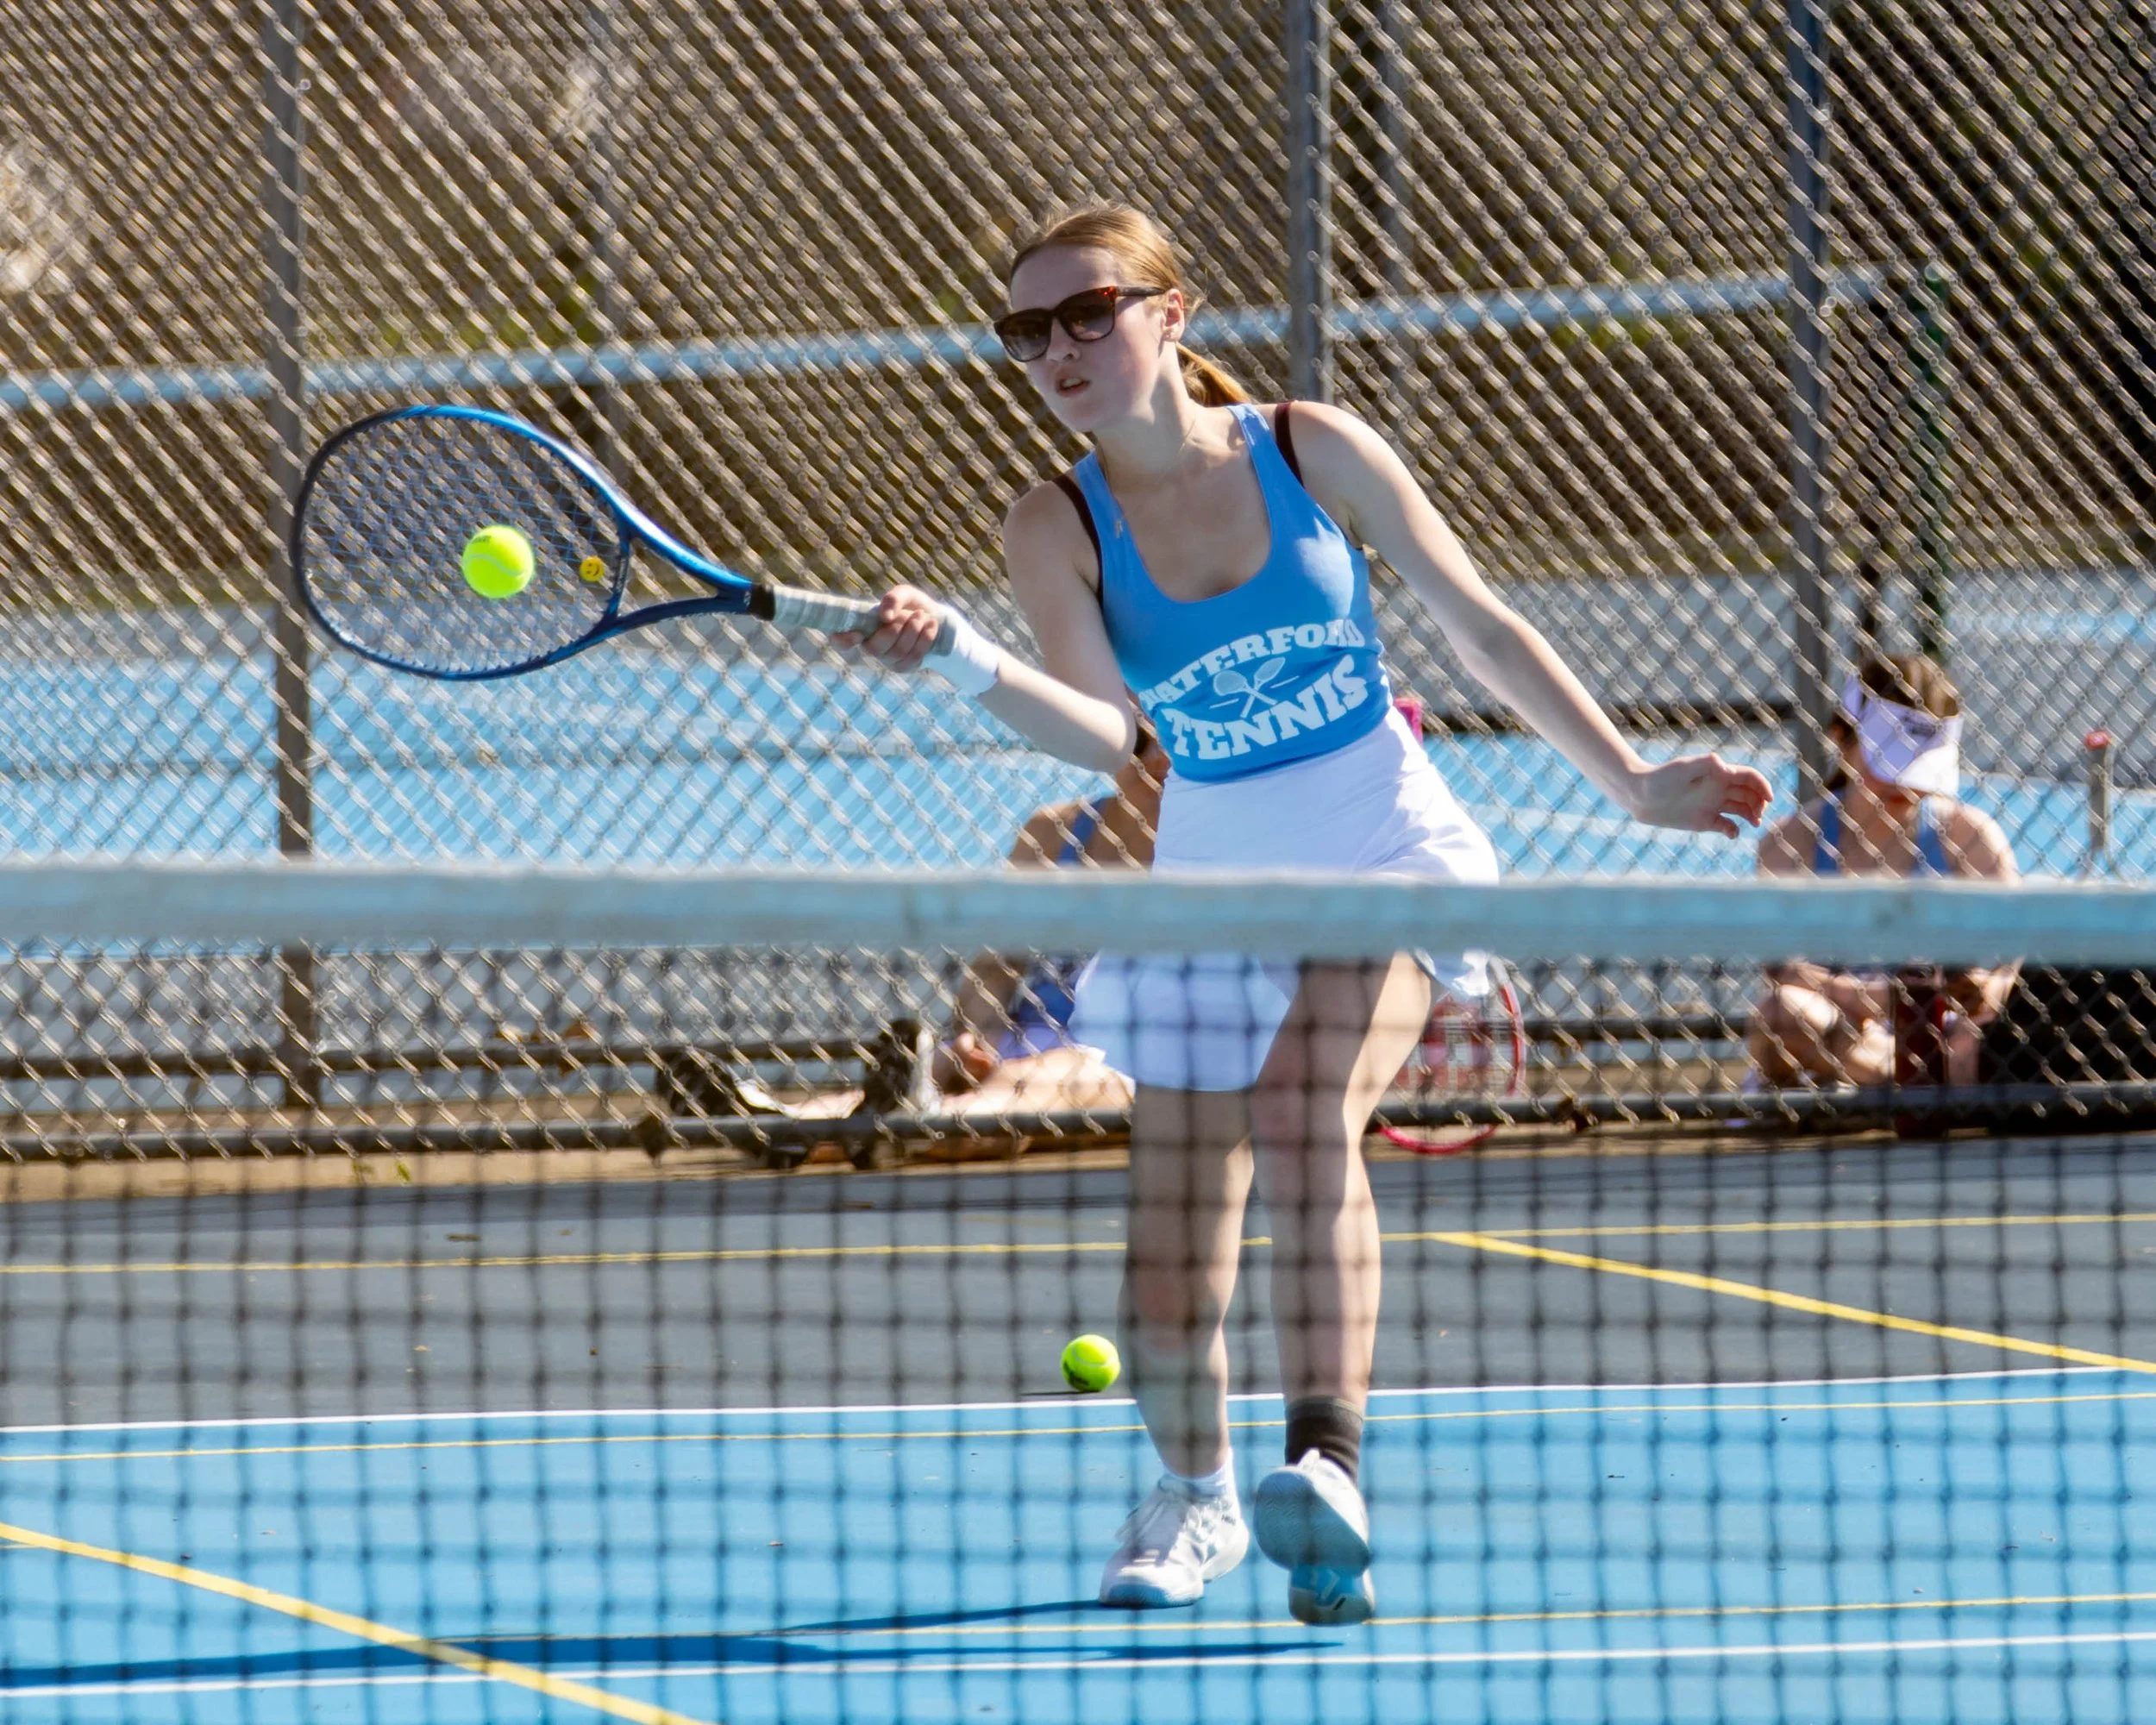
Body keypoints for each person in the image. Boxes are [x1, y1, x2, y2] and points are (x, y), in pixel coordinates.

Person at [839, 203, 1769, 1625]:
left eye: (1090, 311)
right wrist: (960, 655)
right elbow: (1106, 736)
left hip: (1383, 835)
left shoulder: (1307, 446)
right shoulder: (1054, 521)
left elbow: (1475, 617)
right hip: (1210, 874)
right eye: (1030, 330)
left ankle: (1323, 1461)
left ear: (1174, 311)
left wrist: (1635, 782)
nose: (1059, 349)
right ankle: (1198, 1495)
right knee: (1164, 1294)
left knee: (1303, 1105)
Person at [1750, 653, 2018, 1088]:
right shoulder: (1791, 842)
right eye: (1889, 763)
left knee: (2000, 1037)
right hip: (1846, 1031)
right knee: (1782, 1016)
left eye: (1917, 767)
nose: (1904, 784)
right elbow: (1782, 968)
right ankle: (1920, 1082)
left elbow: (2015, 950)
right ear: (1841, 740)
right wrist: (1880, 1000)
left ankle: (1915, 1080)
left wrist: (1990, 988)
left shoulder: (1970, 835)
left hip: (1946, 1034)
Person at [928, 724, 1171, 1116]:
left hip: (1128, 1055)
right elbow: (998, 963)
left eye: (1175, 735)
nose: (1159, 757)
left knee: (1016, 1090)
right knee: (932, 1073)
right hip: (1026, 1038)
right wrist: (978, 1038)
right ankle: (810, 1128)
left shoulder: (1219, 847)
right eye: (1139, 742)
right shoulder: (1054, 830)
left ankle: (931, 1126)